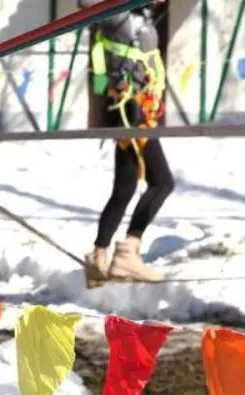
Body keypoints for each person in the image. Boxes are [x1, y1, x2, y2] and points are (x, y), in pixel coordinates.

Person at [81, 0, 173, 287]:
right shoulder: (118, 14)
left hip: (138, 108)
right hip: (130, 110)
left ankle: (99, 256)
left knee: (125, 188)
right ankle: (128, 251)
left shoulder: (141, 16)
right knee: (162, 182)